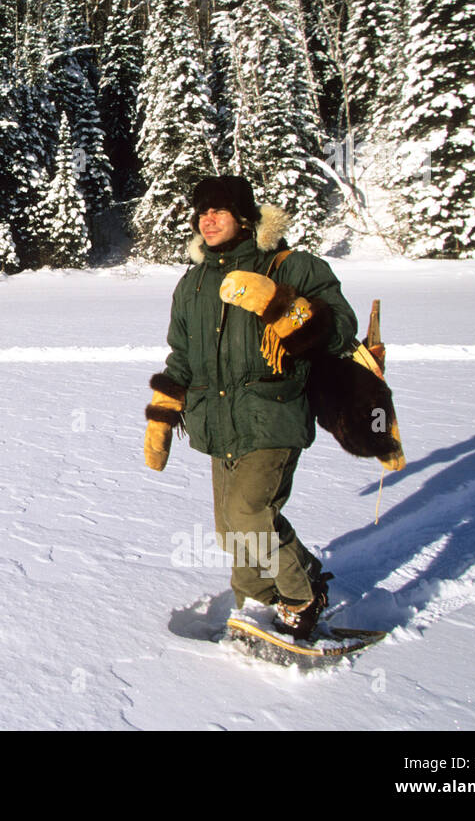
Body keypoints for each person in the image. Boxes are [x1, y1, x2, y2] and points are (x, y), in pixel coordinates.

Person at [144, 175, 358, 638]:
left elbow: (340, 330)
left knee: (248, 516)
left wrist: (280, 305)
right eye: (202, 212)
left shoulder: (289, 266)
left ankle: (302, 596)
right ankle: (259, 605)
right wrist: (163, 413)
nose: (208, 219)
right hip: (217, 423)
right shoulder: (194, 283)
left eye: (219, 210)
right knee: (231, 531)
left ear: (245, 218)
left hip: (273, 414)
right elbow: (182, 354)